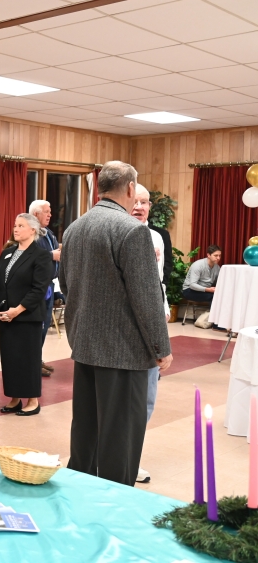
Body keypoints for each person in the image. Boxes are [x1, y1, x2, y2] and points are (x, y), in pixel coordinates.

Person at [59, 161, 172, 486]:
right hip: (124, 354)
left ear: (99, 188)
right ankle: (113, 508)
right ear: (130, 190)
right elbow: (147, 298)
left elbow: (67, 286)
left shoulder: (74, 228)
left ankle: (79, 498)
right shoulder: (132, 231)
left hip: (85, 347)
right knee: (120, 443)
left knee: (86, 435)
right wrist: (161, 347)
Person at [0, 214, 53, 417]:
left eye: (21, 226)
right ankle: (15, 398)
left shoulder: (41, 255)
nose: (16, 229)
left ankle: (33, 401)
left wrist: (17, 310)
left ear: (32, 230)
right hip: (7, 316)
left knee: (28, 359)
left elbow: (38, 289)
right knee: (10, 360)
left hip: (27, 317)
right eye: (15, 225)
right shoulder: (7, 253)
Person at [131, 184, 171, 484]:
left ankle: (132, 457)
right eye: (136, 201)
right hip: (126, 328)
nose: (140, 207)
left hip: (153, 324)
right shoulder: (119, 232)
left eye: (145, 202)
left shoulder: (157, 236)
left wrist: (164, 310)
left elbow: (159, 282)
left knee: (146, 398)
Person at [29, 200, 60, 377]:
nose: (49, 215)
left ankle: (37, 359)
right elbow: (28, 254)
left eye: (49, 211)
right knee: (37, 326)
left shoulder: (47, 233)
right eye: (46, 212)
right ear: (35, 214)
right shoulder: (30, 232)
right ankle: (31, 363)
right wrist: (51, 255)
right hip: (36, 287)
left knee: (45, 324)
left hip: (49, 286)